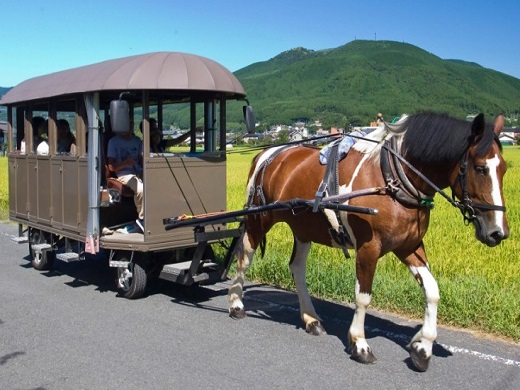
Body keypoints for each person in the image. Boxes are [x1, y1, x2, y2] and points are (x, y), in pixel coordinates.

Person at [106, 127, 145, 231]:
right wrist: (125, 163)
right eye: (128, 123)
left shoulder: (137, 141)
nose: (130, 126)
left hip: (139, 172)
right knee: (141, 189)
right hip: (124, 174)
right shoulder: (113, 142)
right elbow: (111, 167)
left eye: (132, 123)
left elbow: (142, 161)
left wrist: (143, 172)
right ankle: (142, 219)